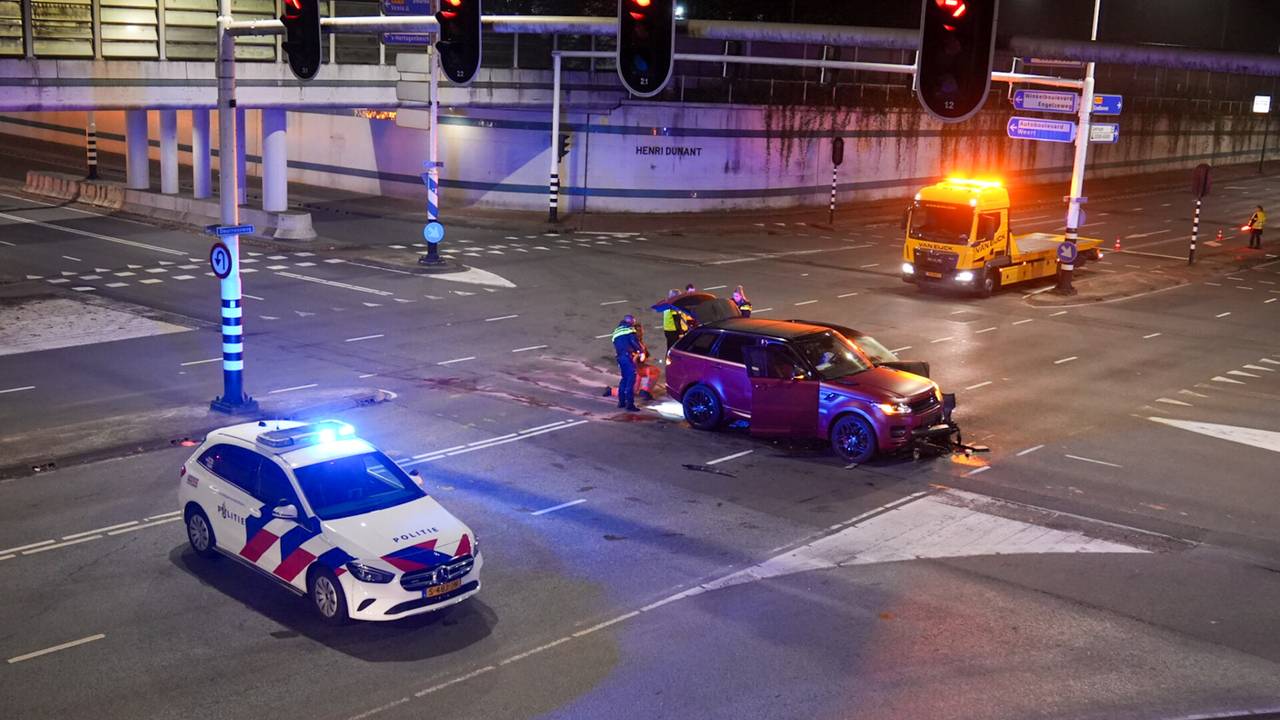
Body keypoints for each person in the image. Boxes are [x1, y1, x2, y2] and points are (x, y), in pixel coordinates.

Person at [611, 315, 643, 411]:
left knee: (624, 378)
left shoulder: (616, 331)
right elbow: (633, 341)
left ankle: (621, 402)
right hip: (628, 357)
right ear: (631, 322)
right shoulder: (629, 329)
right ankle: (630, 404)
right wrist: (640, 351)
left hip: (620, 357)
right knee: (631, 379)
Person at [662, 288, 687, 355]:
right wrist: (681, 332)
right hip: (674, 331)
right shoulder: (673, 306)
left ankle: (668, 360)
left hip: (668, 329)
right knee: (675, 349)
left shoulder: (668, 304)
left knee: (670, 347)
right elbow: (676, 320)